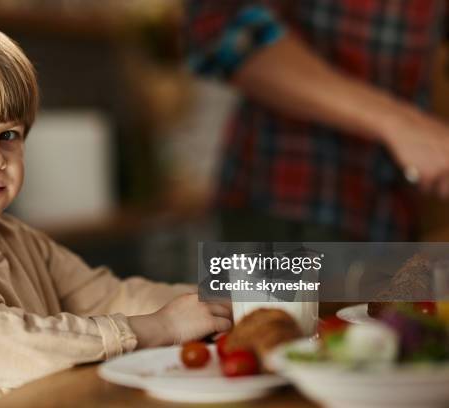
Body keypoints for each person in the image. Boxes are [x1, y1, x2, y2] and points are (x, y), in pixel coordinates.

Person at [0, 16, 232, 407]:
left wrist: (222, 305)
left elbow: (110, 297)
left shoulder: (16, 238)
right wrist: (161, 327)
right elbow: (18, 348)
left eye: (8, 135)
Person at [186, 1, 449, 241]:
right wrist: (402, 124)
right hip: (282, 209)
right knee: (261, 294)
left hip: (395, 216)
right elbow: (222, 32)